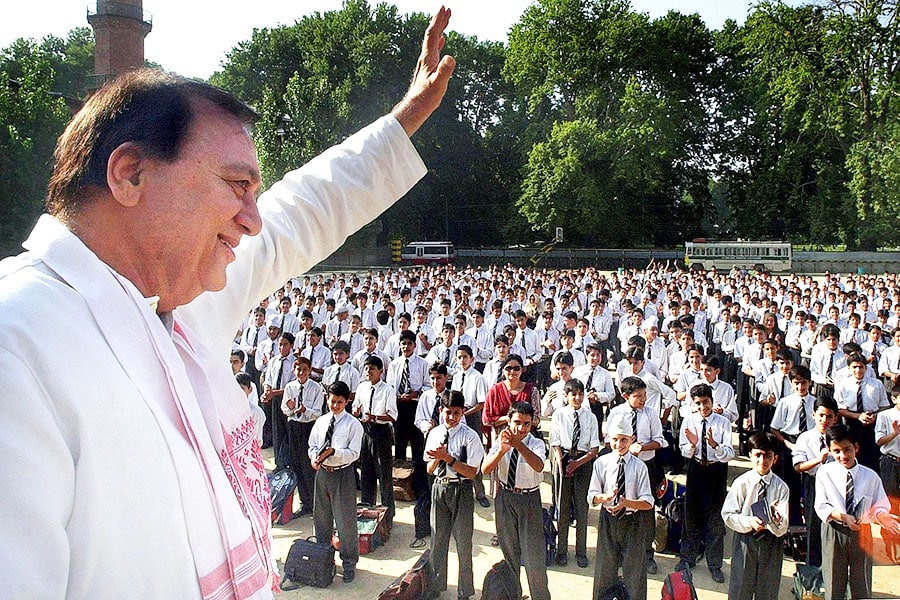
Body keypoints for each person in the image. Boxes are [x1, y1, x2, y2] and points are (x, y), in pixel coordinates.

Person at [0, 9, 453, 595]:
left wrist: (405, 118)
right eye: (237, 187)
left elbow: (305, 208)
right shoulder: (20, 347)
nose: (252, 219)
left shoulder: (177, 303)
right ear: (130, 175)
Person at [815, 424, 899, 600]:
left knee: (861, 582)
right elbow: (821, 504)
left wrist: (882, 516)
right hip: (835, 529)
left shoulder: (870, 476)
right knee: (833, 581)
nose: (843, 456)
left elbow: (880, 505)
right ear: (829, 450)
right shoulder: (824, 473)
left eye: (847, 450)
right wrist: (842, 516)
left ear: (856, 448)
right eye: (836, 451)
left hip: (862, 532)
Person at [482, 401, 550, 600]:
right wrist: (503, 450)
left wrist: (517, 444)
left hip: (528, 498)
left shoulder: (536, 442)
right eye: (517, 423)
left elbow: (538, 466)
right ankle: (513, 595)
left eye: (526, 424)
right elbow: (485, 470)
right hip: (505, 496)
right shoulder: (501, 440)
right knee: (509, 551)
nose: (521, 428)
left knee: (533, 557)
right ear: (508, 421)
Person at [424, 390, 485, 600]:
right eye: (448, 412)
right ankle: (436, 584)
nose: (451, 417)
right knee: (438, 539)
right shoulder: (434, 434)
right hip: (440, 488)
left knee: (463, 541)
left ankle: (464, 590)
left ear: (462, 413)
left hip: (462, 489)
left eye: (456, 413)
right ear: (441, 411)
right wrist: (438, 458)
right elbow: (429, 469)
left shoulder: (470, 436)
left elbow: (472, 472)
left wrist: (448, 458)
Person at [588, 416, 654, 600]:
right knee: (605, 566)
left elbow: (648, 501)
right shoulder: (602, 463)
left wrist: (628, 503)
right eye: (615, 439)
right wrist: (604, 497)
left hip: (632, 521)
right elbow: (591, 495)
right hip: (608, 519)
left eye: (624, 439)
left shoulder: (639, 467)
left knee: (634, 568)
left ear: (632, 439)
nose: (619, 444)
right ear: (608, 440)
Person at [676, 383, 735, 584]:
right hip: (695, 469)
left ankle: (715, 564)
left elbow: (729, 454)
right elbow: (683, 450)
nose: (703, 407)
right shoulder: (689, 421)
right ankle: (687, 558)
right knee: (691, 514)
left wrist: (714, 445)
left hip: (716, 470)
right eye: (698, 403)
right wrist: (692, 445)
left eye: (706, 402)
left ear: (712, 400)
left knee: (715, 518)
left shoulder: (723, 423)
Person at [721, 432, 790, 600]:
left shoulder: (781, 488)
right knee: (740, 588)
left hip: (771, 542)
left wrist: (776, 520)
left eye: (768, 456)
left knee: (767, 589)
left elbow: (782, 526)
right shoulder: (742, 483)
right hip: (746, 538)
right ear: (751, 455)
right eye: (758, 455)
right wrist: (749, 521)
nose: (762, 461)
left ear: (775, 458)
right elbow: (728, 514)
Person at [309, 381, 364, 583]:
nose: (335, 406)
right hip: (323, 473)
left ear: (347, 401)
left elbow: (354, 453)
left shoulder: (353, 425)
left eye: (340, 402)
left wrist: (334, 453)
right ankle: (325, 559)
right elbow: (313, 444)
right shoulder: (322, 421)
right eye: (332, 401)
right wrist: (315, 458)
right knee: (321, 519)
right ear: (327, 399)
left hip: (342, 474)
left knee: (345, 522)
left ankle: (349, 563)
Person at [550, 378, 600, 568]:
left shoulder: (590, 417)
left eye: (580, 394)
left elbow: (594, 449)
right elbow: (555, 441)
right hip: (562, 460)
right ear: (566, 396)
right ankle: (561, 550)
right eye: (573, 394)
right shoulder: (559, 415)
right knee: (562, 509)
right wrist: (562, 464)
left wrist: (577, 463)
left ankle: (581, 552)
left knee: (582, 509)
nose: (577, 398)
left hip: (583, 462)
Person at [792, 396, 840, 566]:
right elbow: (798, 466)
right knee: (814, 525)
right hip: (813, 482)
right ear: (813, 415)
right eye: (821, 415)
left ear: (835, 418)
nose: (824, 420)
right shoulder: (805, 438)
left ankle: (831, 567)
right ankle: (812, 569)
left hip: (835, 485)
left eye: (829, 416)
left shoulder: (839, 438)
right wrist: (819, 460)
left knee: (833, 525)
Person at [353, 355, 397, 524]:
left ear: (381, 371)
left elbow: (392, 416)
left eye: (372, 368)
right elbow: (356, 407)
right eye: (366, 368)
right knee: (366, 473)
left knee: (384, 475)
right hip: (365, 431)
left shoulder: (387, 390)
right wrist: (356, 412)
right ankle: (367, 511)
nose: (368, 372)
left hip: (381, 431)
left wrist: (375, 416)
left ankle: (388, 515)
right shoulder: (362, 387)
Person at [282, 357, 325, 516]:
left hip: (309, 428)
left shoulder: (316, 388)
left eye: (305, 370)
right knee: (297, 464)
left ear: (310, 370)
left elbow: (318, 413)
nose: (301, 373)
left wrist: (304, 410)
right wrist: (292, 409)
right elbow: (285, 409)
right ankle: (304, 502)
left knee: (309, 465)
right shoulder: (290, 387)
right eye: (298, 370)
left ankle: (316, 504)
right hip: (294, 427)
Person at [875, 389, 900, 563]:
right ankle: (891, 544)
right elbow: (879, 441)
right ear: (894, 398)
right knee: (891, 503)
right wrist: (894, 433)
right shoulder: (885, 416)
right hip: (891, 461)